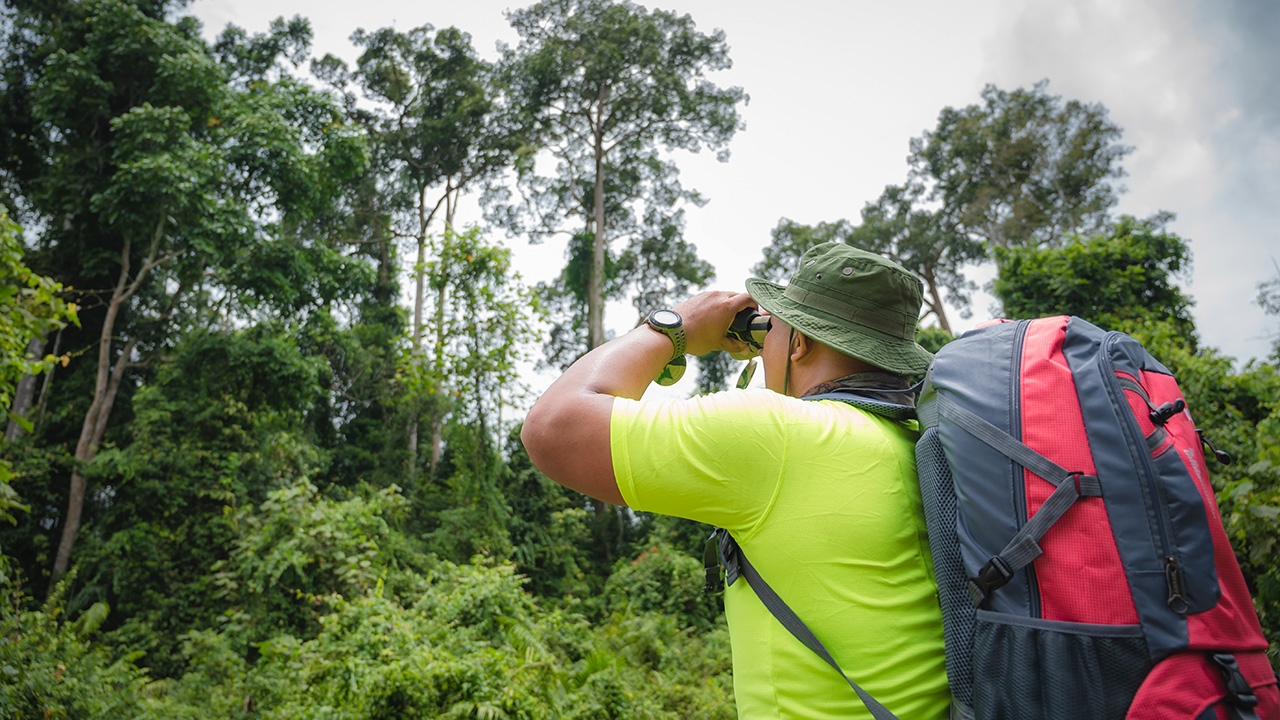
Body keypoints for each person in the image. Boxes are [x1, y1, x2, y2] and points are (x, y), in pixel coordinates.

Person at [521, 242, 951, 719]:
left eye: (774, 330)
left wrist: (673, 326)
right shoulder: (927, 439)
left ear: (799, 344)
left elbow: (553, 429)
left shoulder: (779, 436)